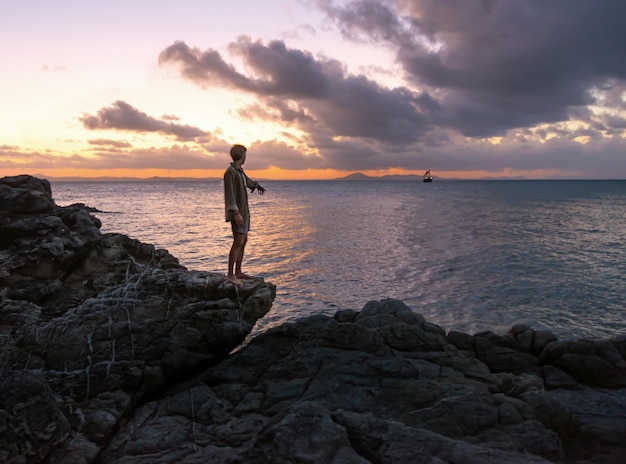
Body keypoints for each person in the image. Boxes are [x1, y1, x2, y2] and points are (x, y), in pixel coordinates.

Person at [224, 144, 266, 286]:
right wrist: (235, 213)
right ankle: (230, 274)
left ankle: (238, 271)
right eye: (245, 155)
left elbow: (248, 182)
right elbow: (230, 195)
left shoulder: (240, 171)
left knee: (243, 241)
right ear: (242, 156)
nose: (245, 157)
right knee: (237, 242)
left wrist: (257, 185)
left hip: (244, 212)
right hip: (238, 213)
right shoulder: (230, 172)